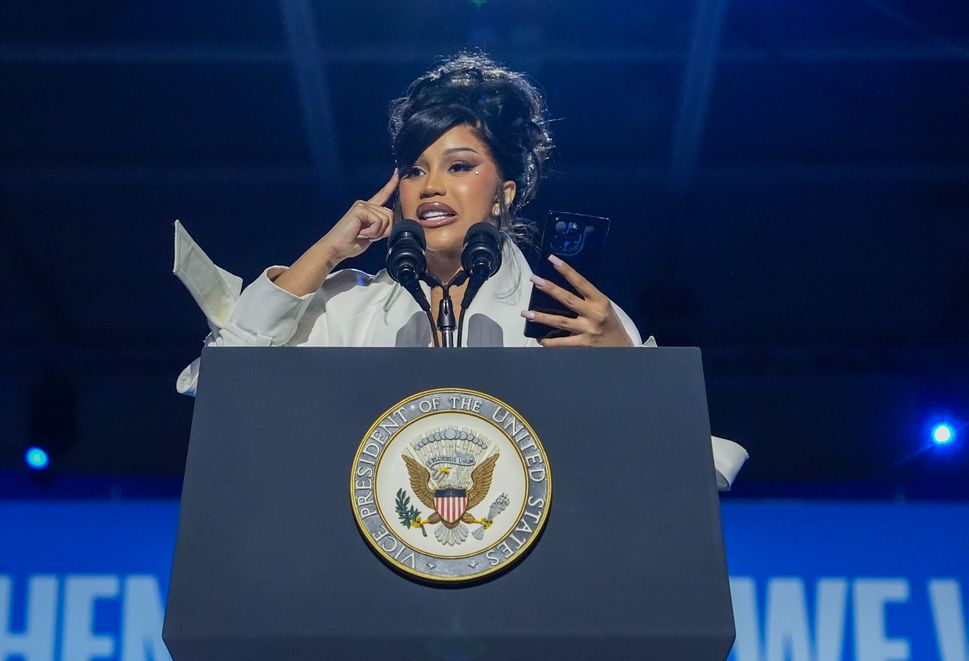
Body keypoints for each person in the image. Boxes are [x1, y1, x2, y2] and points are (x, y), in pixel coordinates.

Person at [174, 51, 746, 488]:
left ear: (505, 192)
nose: (433, 187)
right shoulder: (345, 307)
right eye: (415, 171)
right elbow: (221, 383)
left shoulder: (571, 314)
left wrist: (624, 364)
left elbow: (700, 470)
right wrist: (325, 254)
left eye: (461, 165)